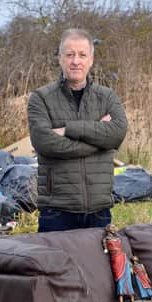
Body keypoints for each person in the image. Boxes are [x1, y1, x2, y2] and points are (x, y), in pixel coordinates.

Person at [28, 28, 128, 232]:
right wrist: (99, 142)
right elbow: (44, 143)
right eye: (70, 54)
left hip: (99, 210)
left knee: (96, 265)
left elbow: (117, 133)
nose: (76, 61)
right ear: (60, 58)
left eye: (82, 55)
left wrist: (68, 129)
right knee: (54, 265)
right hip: (57, 211)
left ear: (91, 59)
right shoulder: (41, 98)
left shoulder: (106, 97)